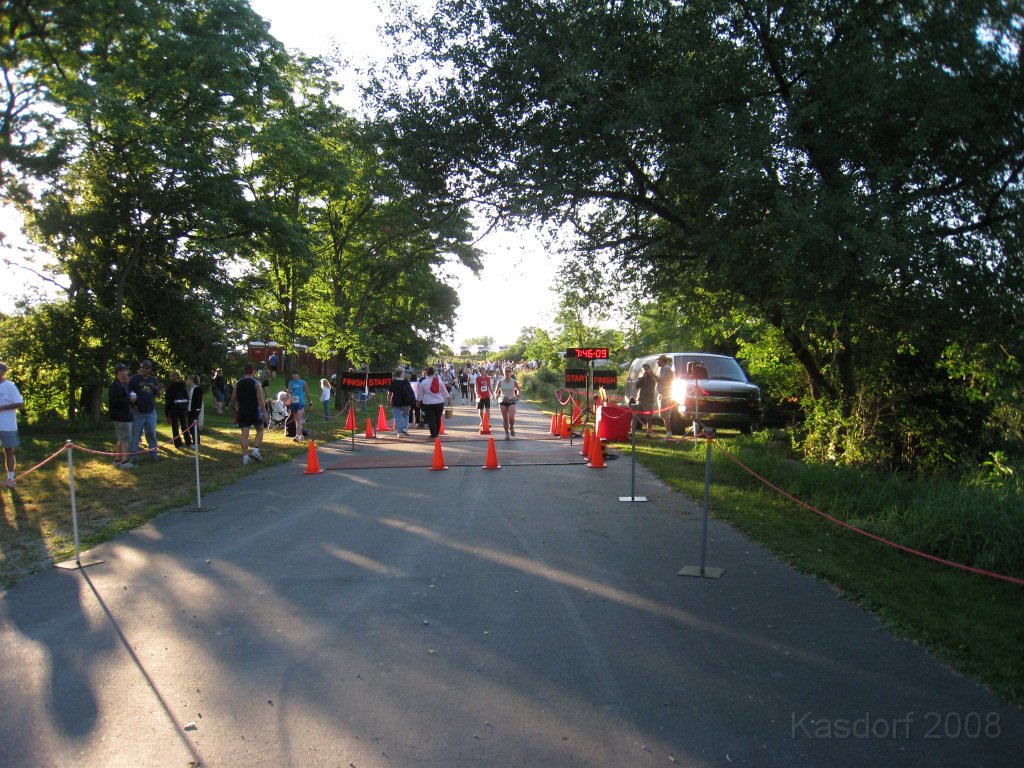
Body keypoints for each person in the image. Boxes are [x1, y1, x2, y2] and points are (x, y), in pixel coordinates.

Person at [230, 363, 264, 464]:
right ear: (253, 371)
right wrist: (265, 411)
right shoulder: (256, 383)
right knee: (260, 430)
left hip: (242, 410)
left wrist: (234, 408)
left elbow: (232, 398)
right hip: (254, 410)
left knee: (244, 434)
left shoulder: (238, 383)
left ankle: (245, 457)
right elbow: (260, 398)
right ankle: (255, 450)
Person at [129, 359, 163, 461]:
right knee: (136, 434)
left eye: (146, 368)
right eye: (143, 367)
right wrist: (133, 405)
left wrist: (159, 391)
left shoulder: (153, 379)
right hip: (138, 411)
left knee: (151, 433)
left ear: (150, 369)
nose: (144, 369)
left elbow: (156, 393)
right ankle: (133, 456)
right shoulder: (135, 379)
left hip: (150, 411)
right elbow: (129, 392)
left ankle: (153, 454)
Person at [0, 361, 26, 488]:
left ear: (3, 372)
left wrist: (2, 407)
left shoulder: (9, 386)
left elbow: (19, 403)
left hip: (7, 425)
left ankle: (10, 478)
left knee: (8, 450)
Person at [108, 364, 135, 468]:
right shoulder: (116, 386)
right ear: (119, 373)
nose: (126, 374)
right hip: (121, 417)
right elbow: (117, 402)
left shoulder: (120, 384)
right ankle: (125, 461)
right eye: (125, 371)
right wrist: (130, 400)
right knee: (125, 439)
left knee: (120, 439)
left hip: (119, 417)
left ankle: (118, 459)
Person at [418, 365, 452, 439]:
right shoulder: (439, 381)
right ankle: (436, 433)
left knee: (431, 419)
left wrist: (418, 401)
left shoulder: (423, 382)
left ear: (427, 373)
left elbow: (420, 393)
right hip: (439, 402)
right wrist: (448, 399)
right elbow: (444, 391)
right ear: (434, 373)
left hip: (428, 403)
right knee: (437, 418)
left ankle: (433, 434)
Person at [164, 370, 191, 449]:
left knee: (175, 427)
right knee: (184, 426)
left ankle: (179, 444)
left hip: (174, 410)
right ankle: (188, 443)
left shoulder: (170, 388)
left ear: (171, 378)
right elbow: (187, 397)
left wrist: (167, 414)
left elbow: (168, 401)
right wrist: (185, 407)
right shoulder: (183, 387)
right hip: (182, 409)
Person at [492, 367, 521, 439]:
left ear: (511, 372)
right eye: (506, 371)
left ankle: (511, 426)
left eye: (508, 371)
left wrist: (518, 396)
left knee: (511, 417)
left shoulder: (514, 381)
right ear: (503, 372)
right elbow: (496, 391)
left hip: (512, 400)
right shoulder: (500, 382)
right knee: (505, 419)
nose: (507, 372)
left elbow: (519, 390)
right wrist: (496, 395)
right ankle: (507, 433)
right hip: (503, 401)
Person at [387, 367, 415, 437]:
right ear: (402, 373)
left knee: (397, 417)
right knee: (405, 415)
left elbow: (390, 393)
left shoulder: (393, 382)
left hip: (396, 401)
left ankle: (399, 432)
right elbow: (410, 391)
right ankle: (405, 428)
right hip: (405, 402)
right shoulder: (406, 381)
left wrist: (389, 400)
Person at [287, 370, 311, 442]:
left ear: (298, 375)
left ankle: (297, 436)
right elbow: (288, 393)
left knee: (299, 419)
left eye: (296, 374)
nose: (294, 376)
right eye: (293, 374)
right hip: (293, 403)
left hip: (301, 403)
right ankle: (301, 436)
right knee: (297, 420)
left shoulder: (303, 383)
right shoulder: (291, 383)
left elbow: (307, 393)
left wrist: (310, 401)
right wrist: (285, 401)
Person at [636, 363, 659, 436]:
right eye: (644, 369)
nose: (645, 371)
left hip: (648, 400)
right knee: (635, 416)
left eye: (647, 369)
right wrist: (643, 377)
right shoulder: (641, 378)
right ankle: (632, 430)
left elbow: (652, 386)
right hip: (641, 400)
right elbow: (637, 386)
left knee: (648, 418)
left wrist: (649, 376)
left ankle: (648, 432)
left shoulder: (652, 379)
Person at [657, 354, 675, 439]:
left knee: (665, 414)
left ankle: (669, 434)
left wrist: (652, 374)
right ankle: (669, 433)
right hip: (663, 394)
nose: (657, 362)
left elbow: (662, 381)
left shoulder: (666, 368)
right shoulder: (663, 369)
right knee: (663, 415)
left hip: (666, 395)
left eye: (659, 360)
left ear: (663, 360)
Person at [186, 374, 204, 446]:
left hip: (195, 410)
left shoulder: (197, 389)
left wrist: (195, 410)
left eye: (189, 379)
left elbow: (197, 402)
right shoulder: (191, 389)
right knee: (191, 426)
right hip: (190, 409)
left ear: (192, 380)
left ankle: (196, 442)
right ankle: (195, 441)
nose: (187, 381)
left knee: (193, 426)